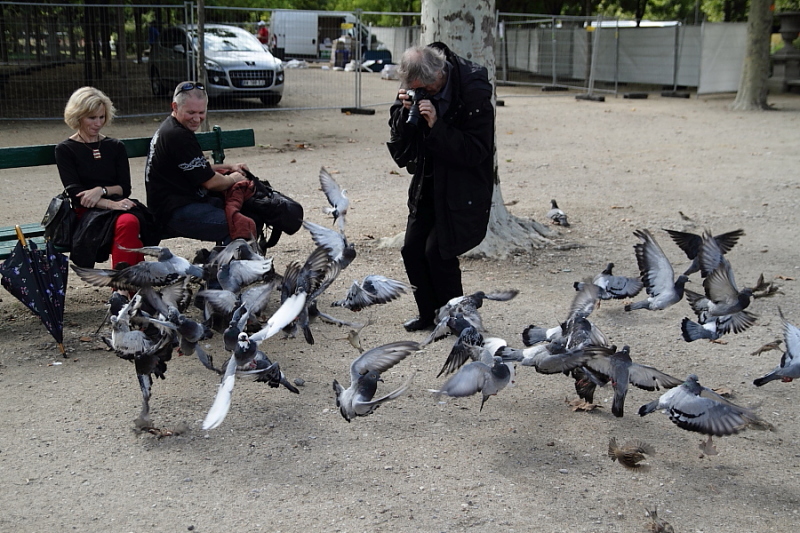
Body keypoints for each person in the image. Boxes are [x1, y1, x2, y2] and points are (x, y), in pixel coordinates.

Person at [387, 43, 495, 332]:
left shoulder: (473, 90)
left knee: (439, 251)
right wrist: (404, 114)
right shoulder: (417, 82)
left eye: (426, 89)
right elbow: (399, 143)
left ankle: (456, 318)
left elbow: (477, 151)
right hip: (428, 179)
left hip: (463, 186)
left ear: (439, 75)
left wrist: (437, 126)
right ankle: (429, 315)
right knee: (411, 249)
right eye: (414, 89)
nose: (422, 94)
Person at [55, 86, 159, 269]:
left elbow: (124, 188)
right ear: (78, 116)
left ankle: (123, 290)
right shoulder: (65, 149)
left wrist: (100, 191)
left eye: (101, 117)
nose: (98, 123)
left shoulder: (115, 146)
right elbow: (76, 194)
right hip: (88, 213)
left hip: (118, 206)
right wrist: (110, 203)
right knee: (129, 223)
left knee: (130, 221)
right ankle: (130, 286)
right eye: (92, 118)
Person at [144, 81, 253, 244]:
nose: (197, 119)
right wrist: (234, 178)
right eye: (191, 112)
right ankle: (226, 267)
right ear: (175, 106)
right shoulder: (177, 136)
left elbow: (198, 168)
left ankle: (222, 264)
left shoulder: (175, 128)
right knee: (240, 225)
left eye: (201, 112)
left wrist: (229, 167)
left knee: (245, 211)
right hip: (173, 213)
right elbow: (211, 182)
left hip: (181, 204)